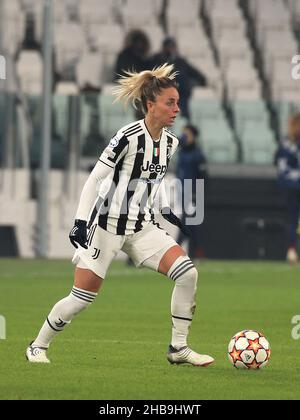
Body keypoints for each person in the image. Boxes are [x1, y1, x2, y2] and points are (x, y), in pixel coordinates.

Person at [25, 64, 214, 367]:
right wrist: (80, 221)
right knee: (81, 299)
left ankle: (178, 347)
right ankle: (37, 346)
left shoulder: (170, 143)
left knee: (188, 273)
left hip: (141, 228)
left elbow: (148, 182)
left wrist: (163, 209)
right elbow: (95, 180)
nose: (177, 108)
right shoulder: (127, 137)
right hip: (107, 227)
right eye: (171, 102)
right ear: (150, 105)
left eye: (178, 102)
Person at [151, 37, 207, 120]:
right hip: (163, 92)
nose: (170, 49)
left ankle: (185, 121)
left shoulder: (180, 61)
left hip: (180, 92)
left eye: (172, 47)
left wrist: (201, 81)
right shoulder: (156, 59)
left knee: (183, 111)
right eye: (168, 47)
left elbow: (196, 73)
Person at [176, 124, 208, 259]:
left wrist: (197, 192)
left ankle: (176, 249)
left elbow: (203, 176)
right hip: (182, 191)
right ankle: (198, 252)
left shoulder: (198, 154)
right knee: (191, 224)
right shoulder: (182, 152)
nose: (184, 136)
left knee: (187, 221)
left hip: (194, 192)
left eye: (187, 134)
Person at [276, 112, 300, 263]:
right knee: (293, 219)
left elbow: (280, 165)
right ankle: (292, 250)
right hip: (293, 185)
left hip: (288, 184)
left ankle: (291, 250)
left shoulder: (284, 143)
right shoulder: (288, 143)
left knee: (292, 218)